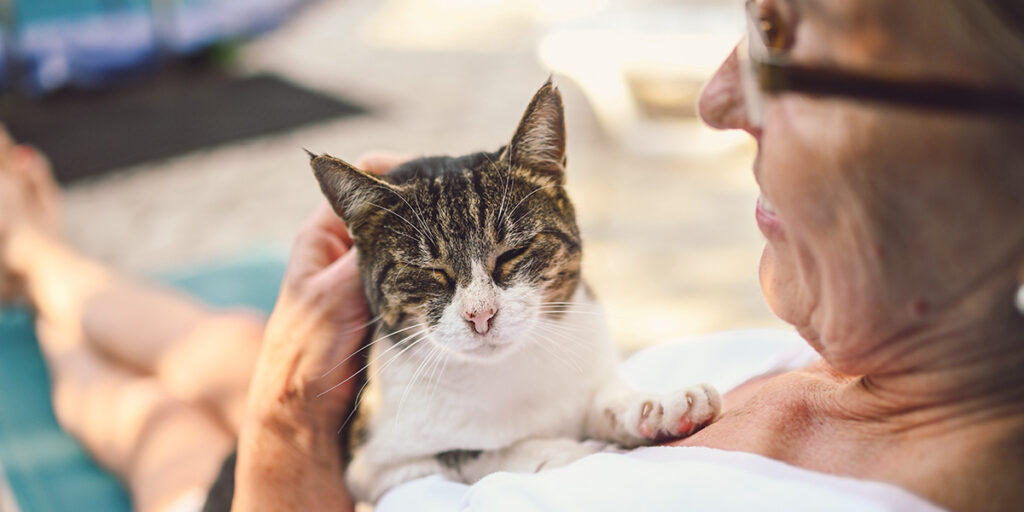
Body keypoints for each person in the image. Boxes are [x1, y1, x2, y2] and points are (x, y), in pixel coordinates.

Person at [2, 0, 1023, 510]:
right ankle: (42, 251)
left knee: (155, 431)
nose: (717, 98)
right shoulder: (863, 358)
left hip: (283, 483)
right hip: (407, 413)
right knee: (224, 343)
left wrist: (280, 421)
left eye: (779, 37)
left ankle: (37, 272)